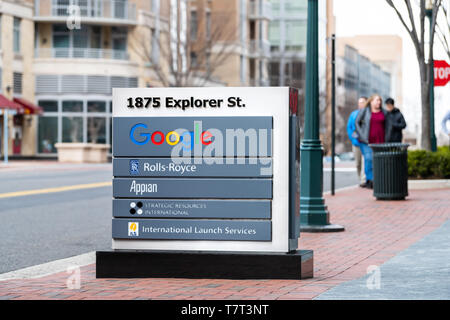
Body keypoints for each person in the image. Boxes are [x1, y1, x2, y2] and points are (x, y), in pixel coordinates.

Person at [355, 94, 387, 189]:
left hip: (380, 141)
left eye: (380, 100)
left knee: (379, 160)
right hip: (366, 141)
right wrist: (361, 135)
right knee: (369, 159)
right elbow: (357, 122)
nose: (379, 102)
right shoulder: (365, 111)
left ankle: (378, 179)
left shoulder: (383, 112)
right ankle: (370, 180)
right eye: (377, 100)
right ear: (371, 101)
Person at [347, 96, 367, 186]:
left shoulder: (368, 114)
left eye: (362, 102)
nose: (360, 104)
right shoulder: (353, 114)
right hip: (356, 143)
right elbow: (349, 128)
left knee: (365, 162)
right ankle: (360, 179)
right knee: (358, 163)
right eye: (359, 102)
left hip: (366, 143)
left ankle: (364, 180)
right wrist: (355, 137)